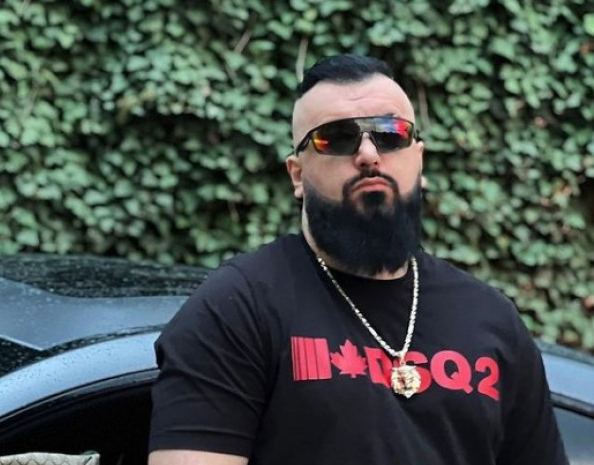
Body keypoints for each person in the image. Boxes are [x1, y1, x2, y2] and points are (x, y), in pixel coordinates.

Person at [147, 54, 568, 465]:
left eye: (390, 134)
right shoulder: (236, 308)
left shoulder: (490, 317)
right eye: (335, 137)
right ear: (297, 174)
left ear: (419, 159)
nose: (368, 153)